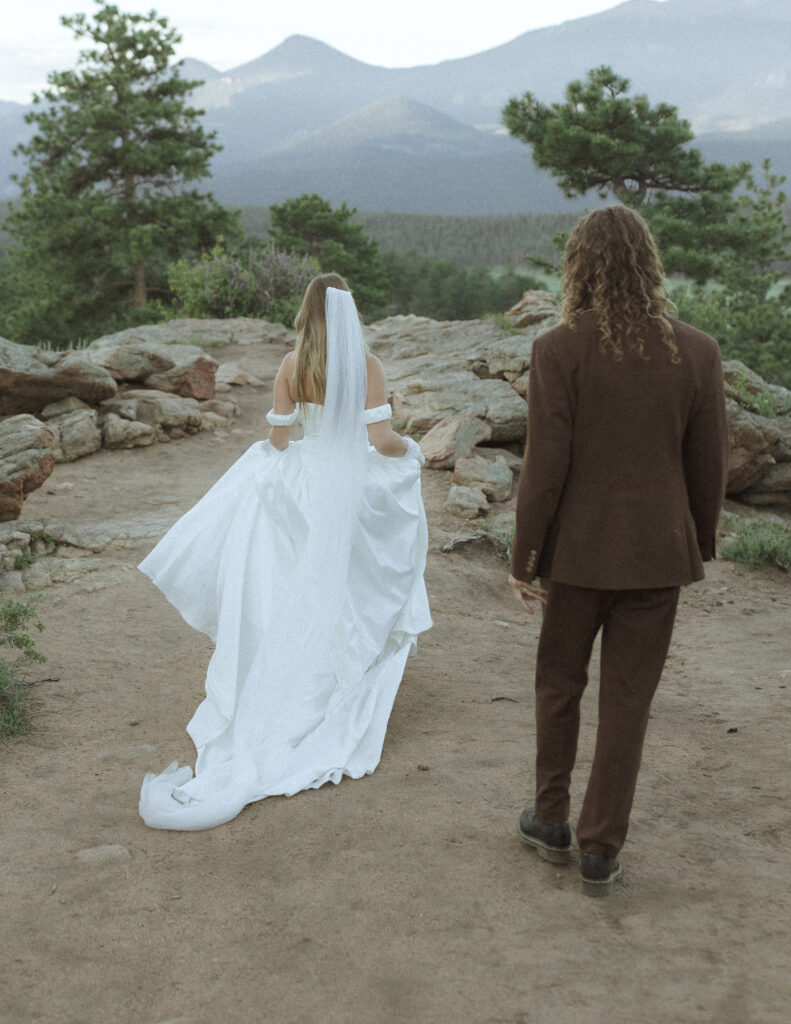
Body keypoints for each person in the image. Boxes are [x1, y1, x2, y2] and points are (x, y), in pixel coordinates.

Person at [138, 274, 431, 830]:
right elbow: (381, 441)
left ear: (307, 312)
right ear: (349, 314)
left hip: (304, 480)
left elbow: (277, 439)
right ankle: (337, 671)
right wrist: (411, 451)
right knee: (351, 579)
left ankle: (289, 669)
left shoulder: (292, 365)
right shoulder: (367, 366)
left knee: (295, 582)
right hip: (349, 486)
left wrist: (284, 459)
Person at [508, 206, 728, 895]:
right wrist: (694, 539)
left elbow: (545, 469)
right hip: (657, 556)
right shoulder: (696, 351)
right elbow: (707, 467)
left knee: (558, 683)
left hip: (575, 555)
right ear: (648, 264)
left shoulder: (558, 349)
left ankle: (549, 820)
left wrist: (525, 560)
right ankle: (600, 850)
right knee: (627, 700)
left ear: (579, 266)